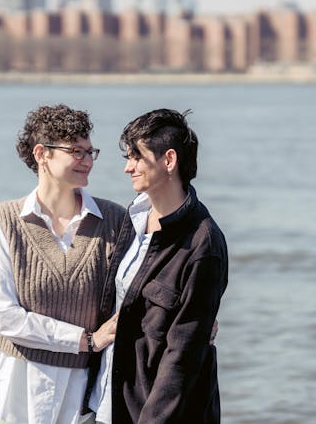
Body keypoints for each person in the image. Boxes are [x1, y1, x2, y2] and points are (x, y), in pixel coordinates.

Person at [0, 104, 124, 424]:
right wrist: (85, 340)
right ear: (42, 154)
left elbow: (138, 287)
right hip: (18, 381)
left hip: (82, 385)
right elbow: (5, 316)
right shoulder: (3, 221)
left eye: (90, 151)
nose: (87, 160)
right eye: (75, 151)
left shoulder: (115, 221)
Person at [88, 109, 229, 423]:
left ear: (169, 160)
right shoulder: (135, 218)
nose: (128, 168)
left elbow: (183, 356)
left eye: (137, 157)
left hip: (155, 413)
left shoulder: (203, 244)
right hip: (108, 401)